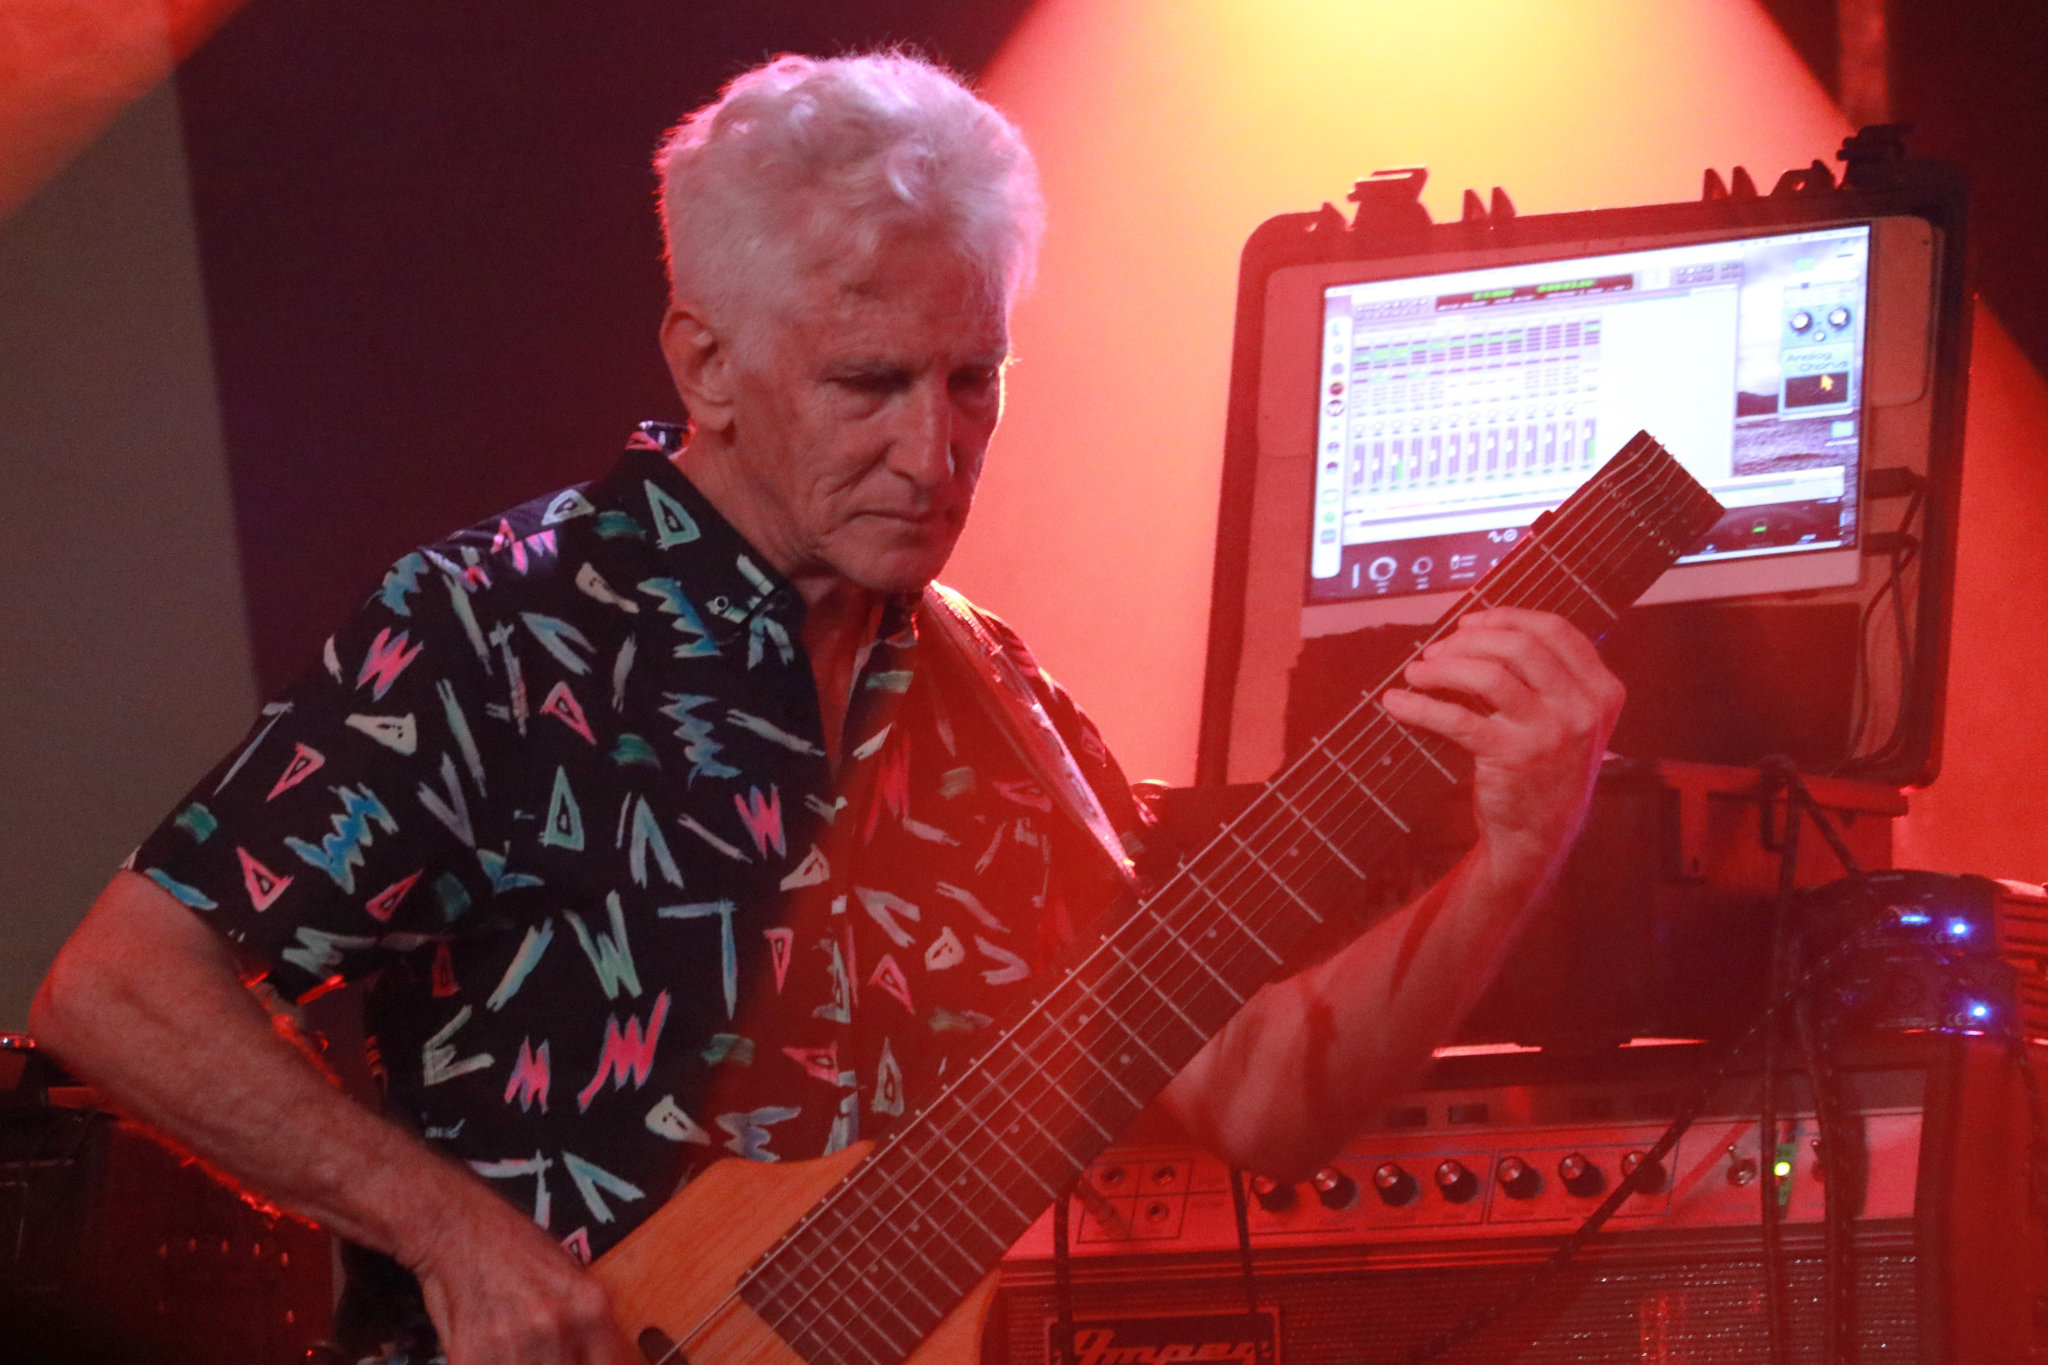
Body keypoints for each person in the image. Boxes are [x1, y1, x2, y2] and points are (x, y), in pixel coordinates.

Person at [30, 50, 1623, 1365]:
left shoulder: (1005, 706)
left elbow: (1266, 1095)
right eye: (871, 383)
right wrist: (451, 1235)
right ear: (706, 364)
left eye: (974, 380)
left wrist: (1508, 858)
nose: (936, 456)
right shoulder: (496, 627)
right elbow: (119, 983)